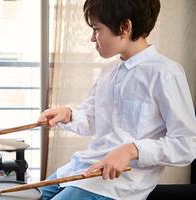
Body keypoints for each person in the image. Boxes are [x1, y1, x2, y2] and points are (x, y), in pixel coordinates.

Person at [38, 0, 196, 199]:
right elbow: (92, 121)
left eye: (97, 29)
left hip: (117, 186)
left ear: (124, 27)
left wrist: (131, 150)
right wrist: (68, 114)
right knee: (25, 195)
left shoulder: (165, 73)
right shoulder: (108, 73)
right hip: (81, 169)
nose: (92, 39)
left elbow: (186, 144)